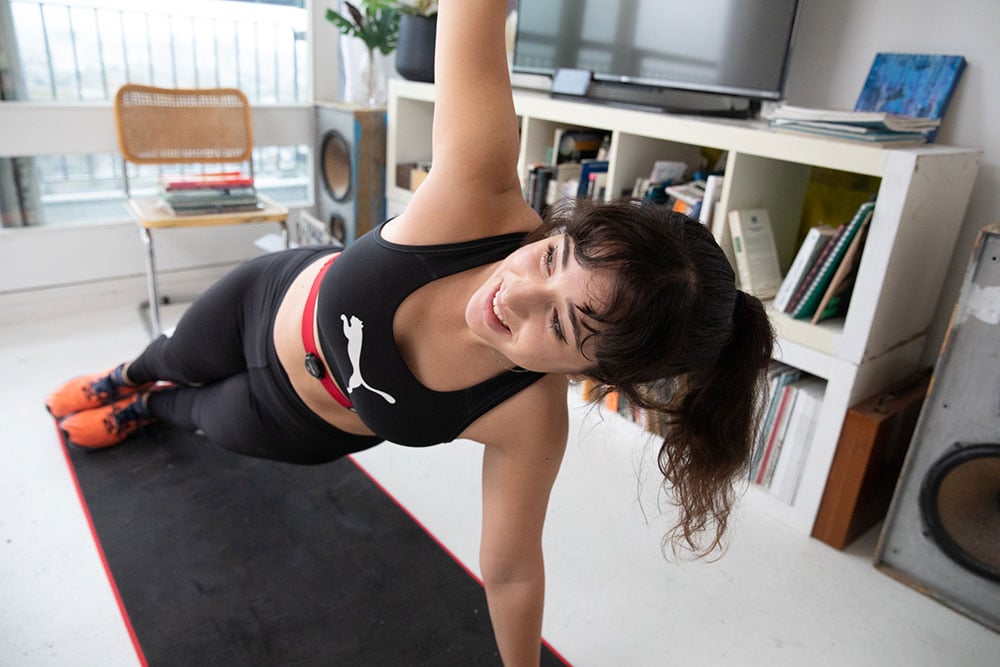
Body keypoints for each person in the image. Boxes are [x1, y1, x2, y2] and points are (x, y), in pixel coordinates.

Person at [45, 1, 774, 664]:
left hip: (297, 420)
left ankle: (145, 410)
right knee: (171, 354)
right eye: (552, 256)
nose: (513, 293)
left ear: (595, 372)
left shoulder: (528, 418)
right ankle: (128, 378)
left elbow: (513, 570)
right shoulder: (480, 186)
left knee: (198, 413)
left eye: (558, 321)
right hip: (263, 302)